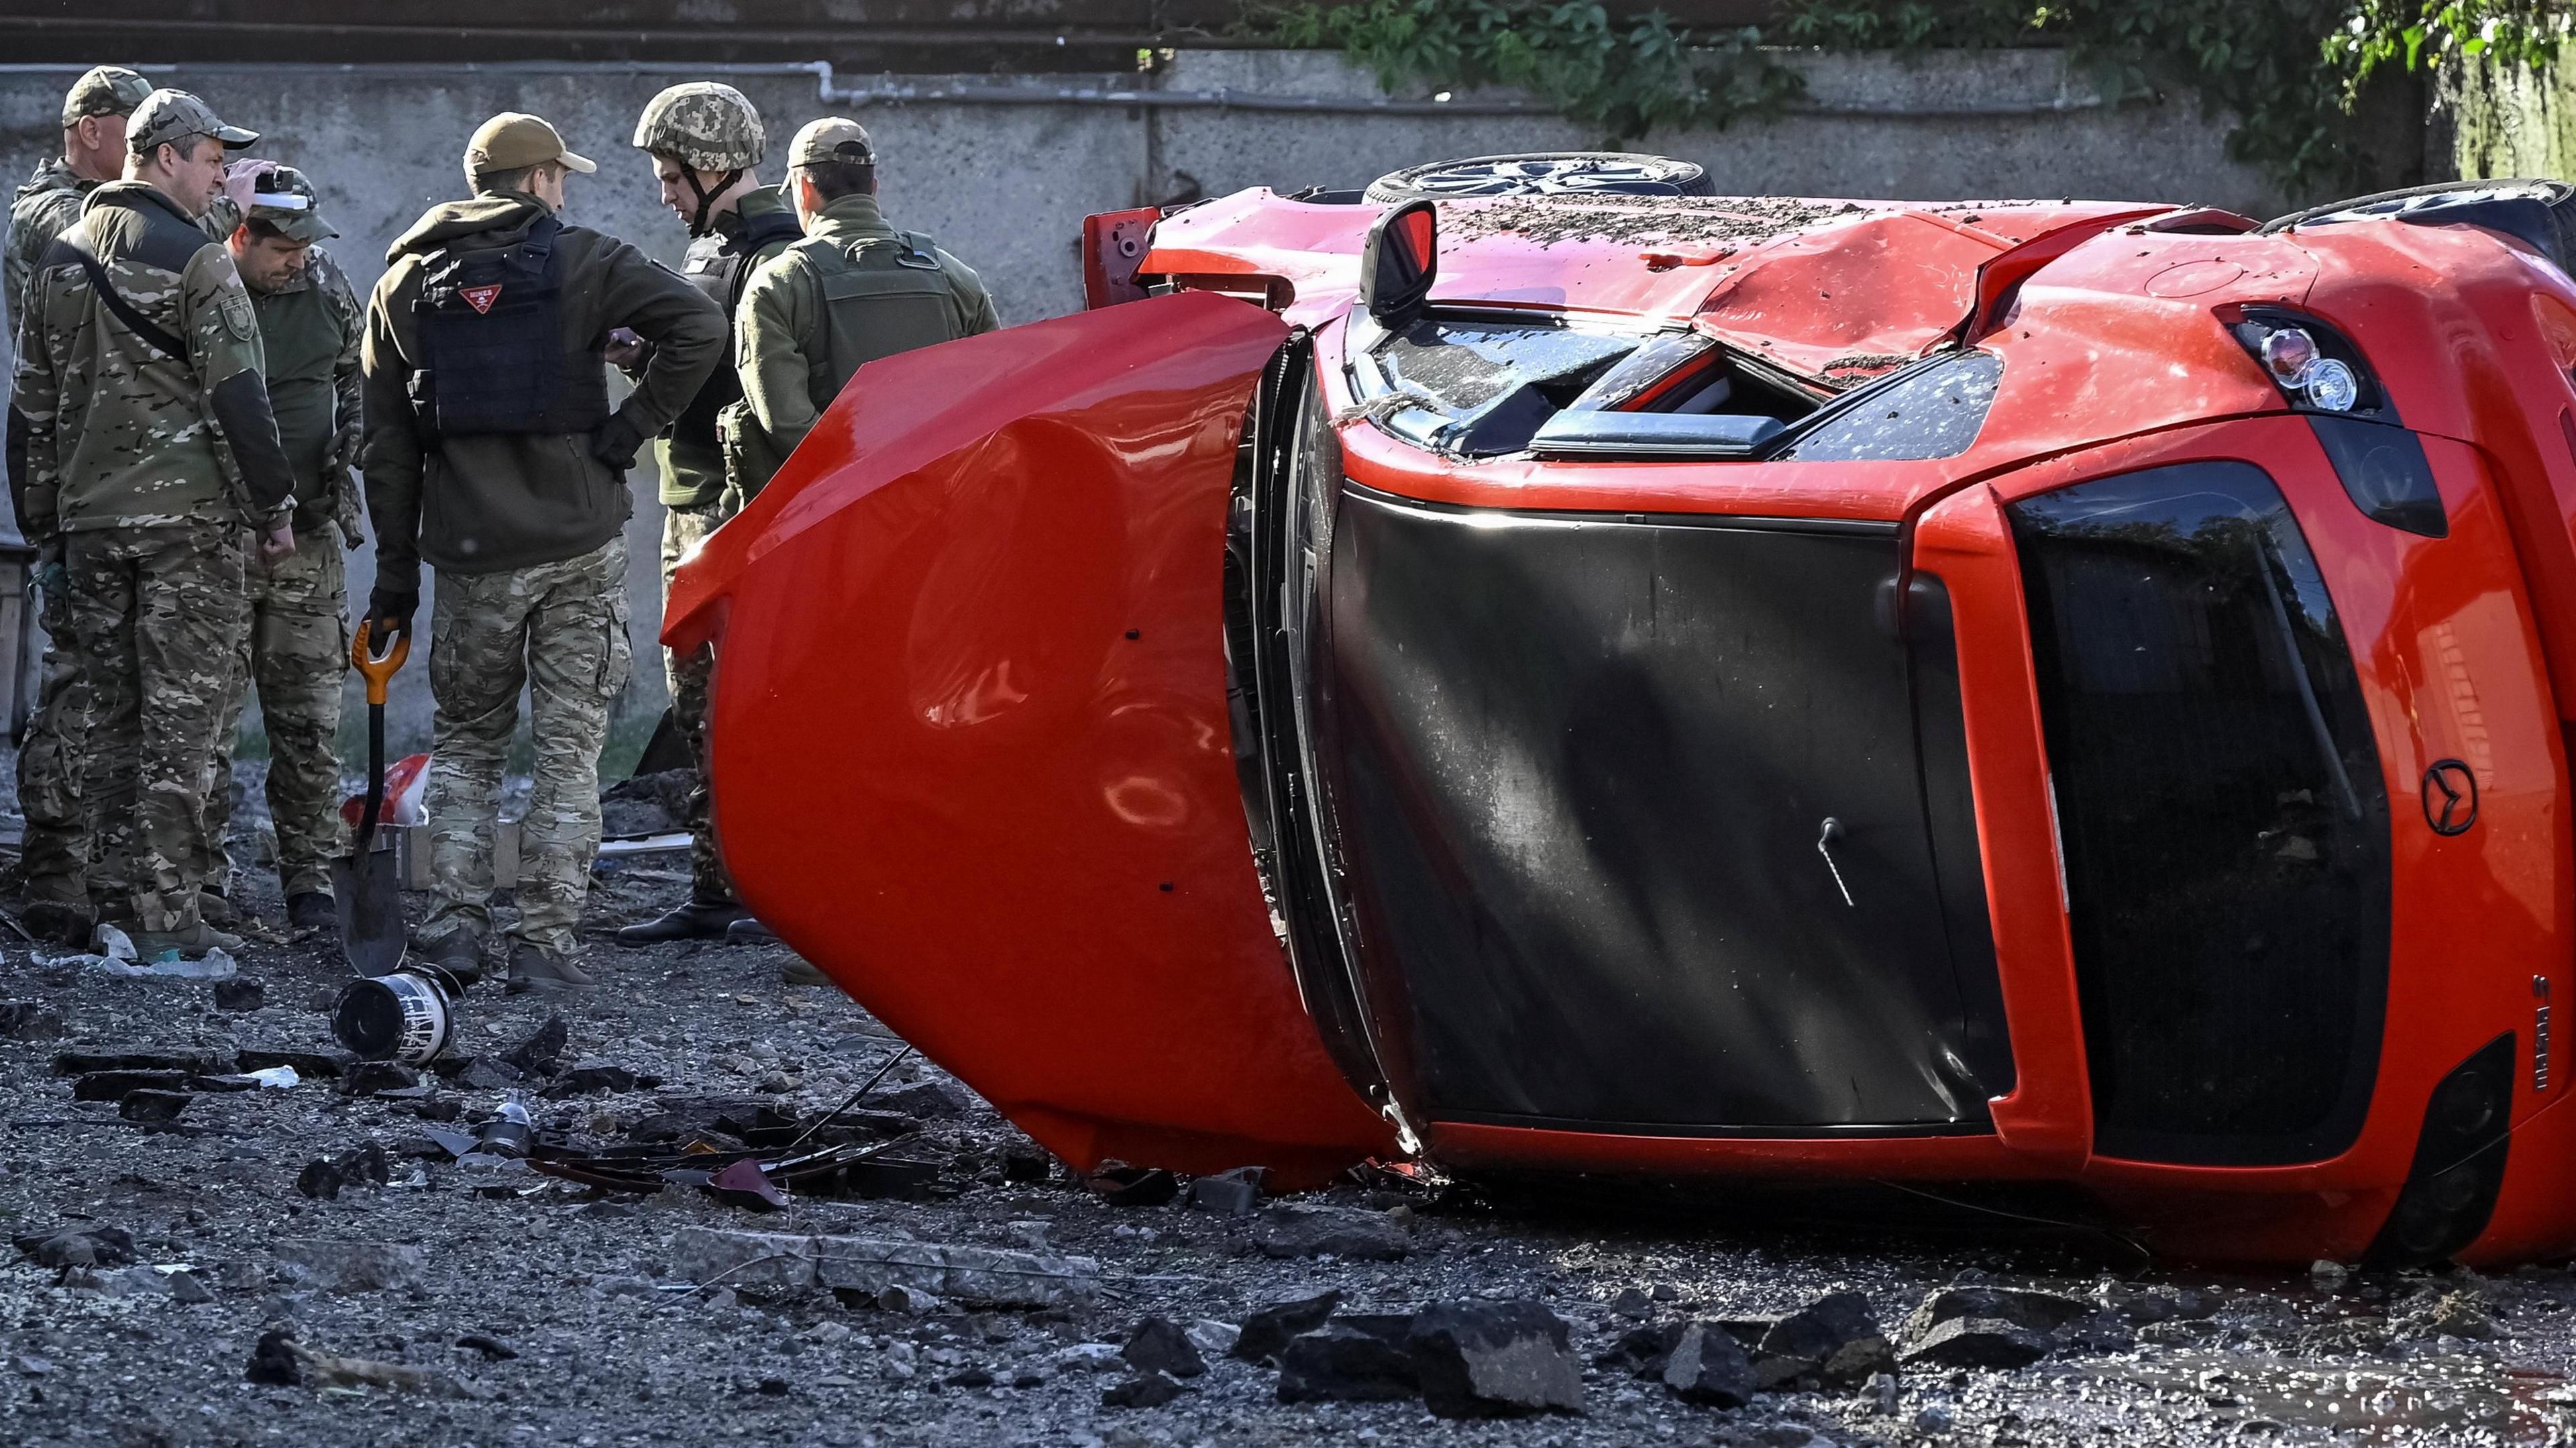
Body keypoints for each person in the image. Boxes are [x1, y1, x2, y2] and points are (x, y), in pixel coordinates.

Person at [360, 112, 723, 994]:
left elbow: (387, 443)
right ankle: (545, 943)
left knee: (470, 742)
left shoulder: (404, 282)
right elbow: (702, 327)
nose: (565, 188)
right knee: (569, 750)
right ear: (539, 181)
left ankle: (452, 934)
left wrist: (398, 575)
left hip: (472, 552)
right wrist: (632, 426)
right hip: (578, 543)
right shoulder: (590, 260)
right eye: (560, 175)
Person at [10, 89, 299, 959]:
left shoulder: (59, 256)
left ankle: (106, 897)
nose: (222, 179)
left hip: (91, 528)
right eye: (214, 160)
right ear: (165, 156)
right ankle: (168, 919)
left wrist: (46, 528)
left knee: (112, 719)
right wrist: (274, 506)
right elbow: (238, 398)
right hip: (185, 531)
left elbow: (30, 408)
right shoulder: (199, 259)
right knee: (183, 726)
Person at [722, 117, 998, 978]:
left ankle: (837, 921)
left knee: (827, 725)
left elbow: (784, 421)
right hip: (937, 536)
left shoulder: (783, 278)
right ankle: (939, 900)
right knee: (927, 716)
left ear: (804, 191)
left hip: (832, 542)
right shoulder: (949, 275)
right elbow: (999, 396)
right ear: (874, 184)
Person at [611, 83, 800, 947]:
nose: (664, 194)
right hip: (693, 500)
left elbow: (750, 381)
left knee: (743, 706)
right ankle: (717, 887)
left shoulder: (773, 255)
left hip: (736, 507)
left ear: (712, 166)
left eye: (670, 176)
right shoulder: (712, 249)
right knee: (698, 707)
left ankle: (765, 890)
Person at [203, 166, 364, 934]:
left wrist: (352, 443)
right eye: (283, 247)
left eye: (307, 243)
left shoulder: (327, 288)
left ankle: (310, 880)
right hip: (219, 541)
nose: (298, 257)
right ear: (242, 236)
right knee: (208, 724)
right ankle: (203, 881)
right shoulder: (204, 293)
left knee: (308, 724)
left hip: (310, 541)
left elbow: (360, 372)